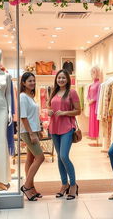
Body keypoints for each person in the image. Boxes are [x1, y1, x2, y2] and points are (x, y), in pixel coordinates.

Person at [48, 69, 81, 200]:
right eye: (59, 78)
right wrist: (50, 111)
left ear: (68, 79)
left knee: (64, 156)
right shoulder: (54, 91)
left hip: (67, 127)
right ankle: (64, 184)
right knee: (59, 158)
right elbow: (50, 107)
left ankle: (73, 185)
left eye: (63, 78)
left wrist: (64, 112)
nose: (61, 80)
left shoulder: (72, 92)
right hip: (54, 127)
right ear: (56, 79)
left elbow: (78, 111)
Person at [20, 72, 45, 201]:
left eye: (34, 81)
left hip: (33, 130)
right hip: (27, 131)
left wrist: (38, 130)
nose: (32, 83)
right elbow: (23, 117)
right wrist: (31, 133)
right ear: (23, 83)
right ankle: (26, 186)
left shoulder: (30, 96)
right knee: (40, 157)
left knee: (30, 158)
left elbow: (33, 116)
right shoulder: (23, 97)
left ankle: (31, 187)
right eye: (30, 81)